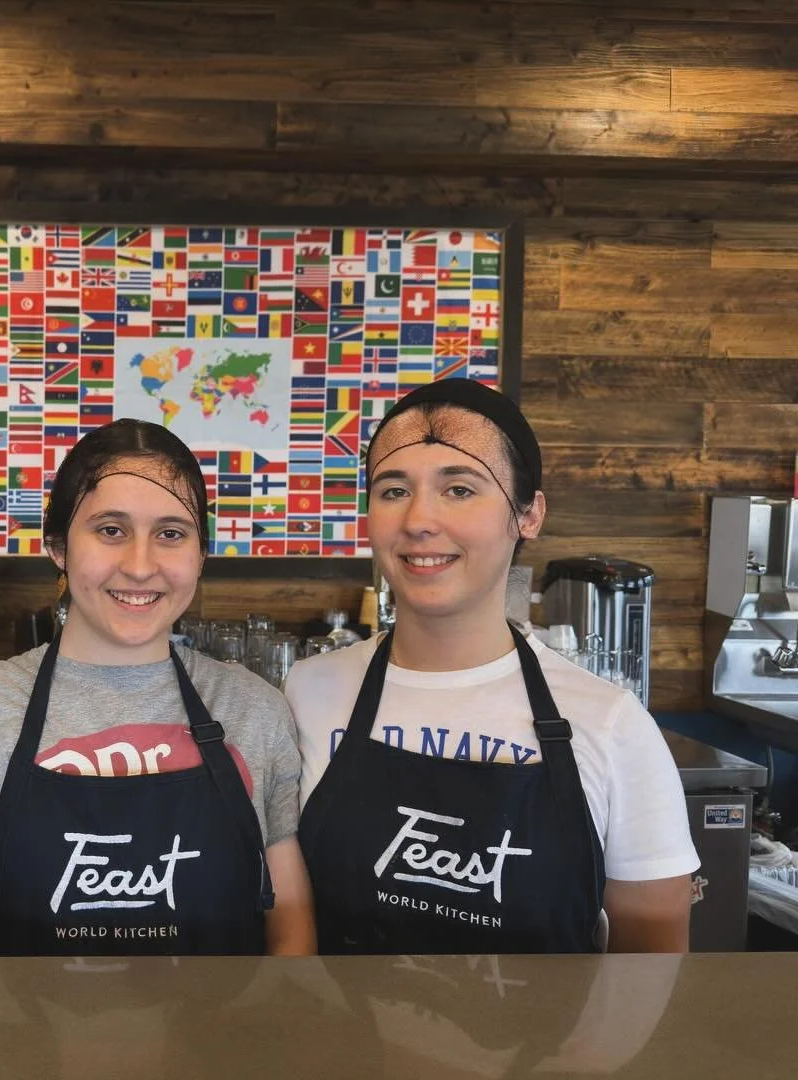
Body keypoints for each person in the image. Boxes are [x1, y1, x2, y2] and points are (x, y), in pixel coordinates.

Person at [285, 377, 698, 954]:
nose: (419, 520)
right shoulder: (306, 691)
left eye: (459, 489)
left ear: (528, 515)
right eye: (393, 490)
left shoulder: (611, 725)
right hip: (332, 1043)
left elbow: (649, 974)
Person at [0, 419, 315, 957]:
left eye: (171, 534)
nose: (139, 565)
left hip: (227, 1039)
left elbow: (290, 933)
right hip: (28, 1040)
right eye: (110, 530)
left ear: (200, 554)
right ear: (58, 545)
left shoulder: (255, 709)